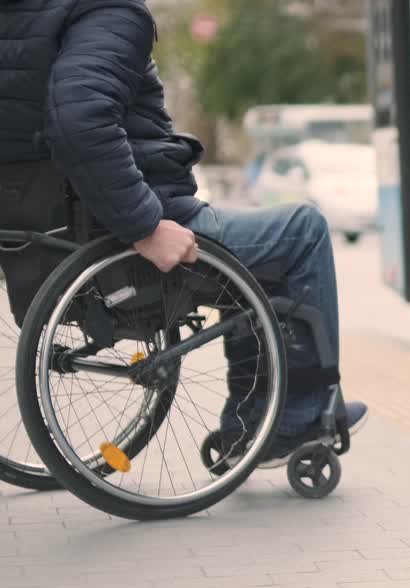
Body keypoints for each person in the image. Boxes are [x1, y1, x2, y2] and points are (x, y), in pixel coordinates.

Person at [0, 0, 367, 466]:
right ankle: (292, 422)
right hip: (123, 228)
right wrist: (146, 228)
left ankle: (253, 417)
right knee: (301, 231)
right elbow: (78, 121)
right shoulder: (108, 11)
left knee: (251, 251)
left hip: (43, 240)